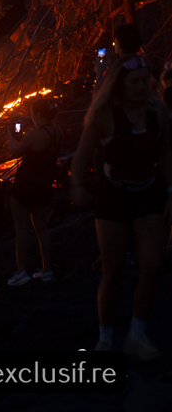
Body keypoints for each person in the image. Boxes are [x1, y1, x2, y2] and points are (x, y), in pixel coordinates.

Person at [71, 55, 172, 359]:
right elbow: (80, 156)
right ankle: (105, 336)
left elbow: (165, 152)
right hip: (114, 194)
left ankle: (137, 333)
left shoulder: (158, 111)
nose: (142, 87)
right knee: (112, 271)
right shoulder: (105, 115)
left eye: (146, 81)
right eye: (135, 82)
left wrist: (170, 191)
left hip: (148, 190)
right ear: (121, 84)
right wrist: (77, 186)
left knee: (153, 265)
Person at [6, 98, 62, 286]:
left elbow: (14, 151)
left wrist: (11, 133)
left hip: (24, 187)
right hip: (44, 186)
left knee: (21, 229)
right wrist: (30, 118)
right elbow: (44, 126)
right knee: (41, 229)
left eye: (32, 113)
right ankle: (47, 270)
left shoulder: (32, 136)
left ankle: (21, 271)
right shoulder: (57, 132)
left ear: (37, 114)